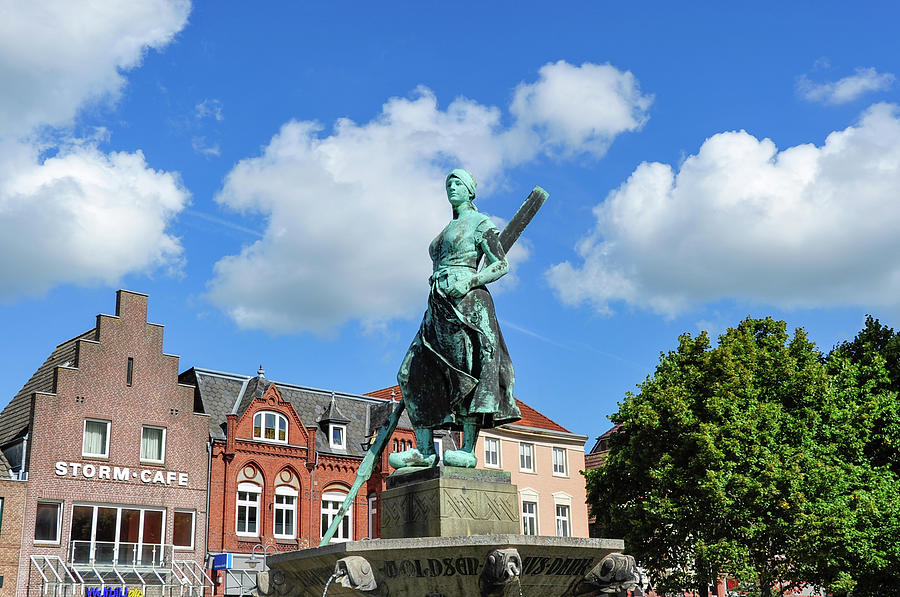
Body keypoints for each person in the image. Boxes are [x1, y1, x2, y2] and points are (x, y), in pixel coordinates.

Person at [390, 168, 520, 468]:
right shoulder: (447, 227)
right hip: (438, 304)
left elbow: (501, 265)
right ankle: (424, 449)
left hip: (468, 304)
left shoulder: (480, 223)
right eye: (448, 183)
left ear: (471, 190)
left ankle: (468, 450)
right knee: (411, 371)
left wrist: (470, 281)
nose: (452, 188)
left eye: (458, 183)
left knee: (466, 374)